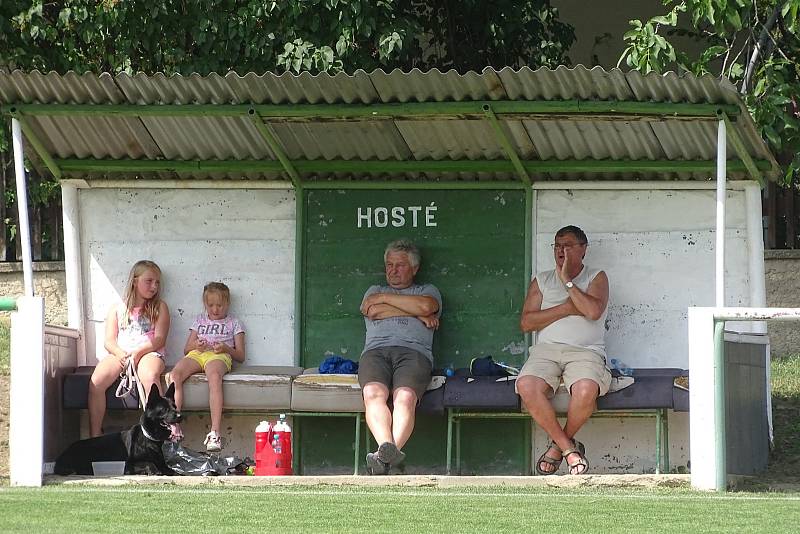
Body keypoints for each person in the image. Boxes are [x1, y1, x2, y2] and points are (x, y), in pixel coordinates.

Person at [517, 225, 611, 475]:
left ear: (583, 249)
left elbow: (592, 311)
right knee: (526, 385)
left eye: (568, 245)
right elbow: (527, 323)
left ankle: (558, 448)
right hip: (546, 351)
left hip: (585, 351)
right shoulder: (541, 279)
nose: (562, 250)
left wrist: (567, 281)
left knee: (586, 389)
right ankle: (570, 449)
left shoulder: (596, 276)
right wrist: (566, 308)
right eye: (558, 245)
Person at [358, 239, 442, 474]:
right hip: (375, 352)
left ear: (414, 268)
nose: (392, 271)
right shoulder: (374, 291)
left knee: (404, 397)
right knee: (373, 393)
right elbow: (371, 309)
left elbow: (427, 306)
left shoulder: (427, 291)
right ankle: (388, 450)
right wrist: (415, 314)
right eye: (389, 265)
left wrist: (387, 301)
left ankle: (383, 457)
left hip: (414, 353)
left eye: (400, 265)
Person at [89, 260, 170, 437]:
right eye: (149, 281)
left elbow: (159, 339)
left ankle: (159, 431)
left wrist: (139, 353)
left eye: (157, 282)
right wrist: (121, 354)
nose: (154, 286)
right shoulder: (118, 309)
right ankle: (95, 434)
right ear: (135, 281)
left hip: (149, 352)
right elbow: (109, 341)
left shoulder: (160, 307)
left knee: (150, 377)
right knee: (97, 381)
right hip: (122, 353)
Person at [169, 282, 245, 452]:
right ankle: (173, 425)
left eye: (219, 305)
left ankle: (215, 432)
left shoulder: (234, 323)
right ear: (205, 304)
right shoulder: (199, 321)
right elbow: (186, 349)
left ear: (227, 304)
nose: (215, 309)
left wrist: (225, 348)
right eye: (211, 305)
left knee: (214, 377)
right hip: (198, 354)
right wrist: (197, 345)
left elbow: (240, 356)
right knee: (175, 375)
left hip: (219, 355)